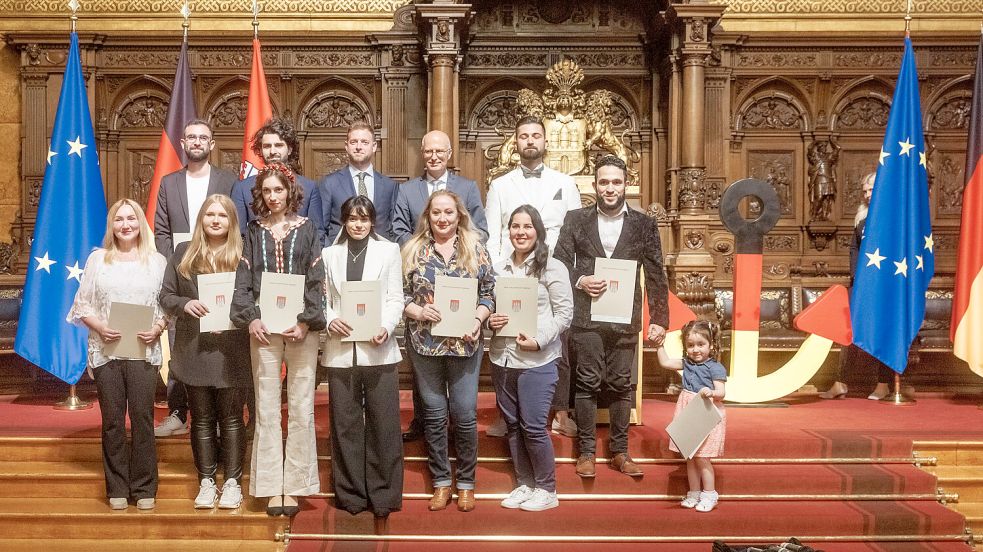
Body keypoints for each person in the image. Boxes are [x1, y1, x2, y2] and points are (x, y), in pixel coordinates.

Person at [554, 155, 669, 479]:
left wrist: (659, 318)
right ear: (595, 184)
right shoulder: (575, 219)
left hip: (624, 316)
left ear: (626, 183)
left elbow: (657, 273)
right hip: (586, 317)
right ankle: (587, 452)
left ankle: (620, 452)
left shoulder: (644, 224)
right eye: (604, 182)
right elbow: (559, 261)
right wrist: (580, 279)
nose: (610, 188)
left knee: (621, 384)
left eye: (616, 182)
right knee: (587, 382)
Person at [231, 162, 326, 517]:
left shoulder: (308, 229)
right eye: (267, 191)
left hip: (301, 331)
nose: (273, 197)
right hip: (264, 331)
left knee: (301, 407)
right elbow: (243, 281)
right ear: (261, 194)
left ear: (290, 192)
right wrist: (250, 318)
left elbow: (317, 280)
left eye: (279, 190)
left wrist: (306, 322)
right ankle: (271, 486)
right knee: (267, 408)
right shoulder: (253, 232)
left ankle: (297, 485)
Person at [67, 198, 169, 511]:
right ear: (112, 226)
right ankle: (117, 487)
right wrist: (99, 326)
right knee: (112, 421)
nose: (125, 225)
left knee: (141, 419)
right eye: (119, 220)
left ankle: (144, 487)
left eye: (131, 219)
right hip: (107, 350)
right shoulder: (98, 260)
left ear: (141, 224)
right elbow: (81, 305)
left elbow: (167, 307)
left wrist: (158, 328)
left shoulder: (157, 261)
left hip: (142, 350)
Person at [484, 115, 582, 439]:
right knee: (508, 340)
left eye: (535, 135)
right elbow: (494, 233)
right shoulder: (499, 185)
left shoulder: (565, 183)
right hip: (511, 271)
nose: (530, 141)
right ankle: (505, 412)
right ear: (516, 142)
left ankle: (559, 413)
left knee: (557, 343)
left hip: (552, 270)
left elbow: (573, 234)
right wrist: (502, 271)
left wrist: (563, 269)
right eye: (523, 135)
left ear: (545, 141)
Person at [392, 129, 489, 442]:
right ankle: (425, 424)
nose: (434, 156)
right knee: (428, 387)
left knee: (463, 406)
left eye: (440, 151)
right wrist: (425, 255)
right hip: (424, 289)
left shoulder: (468, 188)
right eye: (428, 151)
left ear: (450, 154)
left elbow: (481, 231)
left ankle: (457, 449)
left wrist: (456, 258)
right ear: (423, 153)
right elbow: (398, 232)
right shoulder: (407, 191)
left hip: (462, 285)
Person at [402, 190, 495, 512]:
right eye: (436, 213)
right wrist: (416, 311)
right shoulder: (412, 251)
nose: (442, 218)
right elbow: (396, 295)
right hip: (425, 346)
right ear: (428, 216)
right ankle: (442, 481)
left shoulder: (475, 249)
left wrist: (477, 317)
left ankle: (467, 483)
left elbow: (489, 294)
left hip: (465, 345)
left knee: (466, 416)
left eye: (449, 213)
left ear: (459, 216)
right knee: (434, 415)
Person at [159, 194, 251, 510]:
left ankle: (233, 483)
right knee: (200, 419)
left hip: (232, 349)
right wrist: (185, 304)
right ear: (201, 219)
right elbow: (166, 296)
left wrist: (235, 317)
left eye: (222, 215)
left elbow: (254, 296)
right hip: (194, 349)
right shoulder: (184, 253)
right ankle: (207, 481)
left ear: (231, 221)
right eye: (209, 214)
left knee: (231, 418)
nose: (215, 220)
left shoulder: (243, 254)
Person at [154, 118, 238, 438]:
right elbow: (161, 230)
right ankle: (177, 411)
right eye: (191, 137)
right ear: (183, 144)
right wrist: (177, 263)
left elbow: (235, 224)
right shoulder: (168, 182)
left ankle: (219, 411)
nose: (197, 142)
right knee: (179, 343)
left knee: (218, 340)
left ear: (212, 145)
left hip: (220, 269)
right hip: (183, 272)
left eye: (203, 137)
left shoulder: (228, 181)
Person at [321, 195, 404, 518]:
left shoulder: (389, 251)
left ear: (373, 221)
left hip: (378, 348)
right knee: (345, 424)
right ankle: (351, 493)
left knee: (384, 424)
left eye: (364, 219)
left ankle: (384, 494)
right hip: (341, 350)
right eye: (352, 219)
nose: (358, 225)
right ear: (344, 221)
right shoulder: (330, 254)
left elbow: (396, 297)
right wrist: (330, 319)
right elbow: (322, 297)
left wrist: (386, 325)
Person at [488, 205, 572, 512]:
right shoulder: (498, 268)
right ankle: (525, 483)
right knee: (512, 425)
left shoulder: (553, 268)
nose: (520, 232)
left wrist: (539, 340)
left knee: (534, 426)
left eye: (527, 226)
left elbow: (564, 313)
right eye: (515, 226)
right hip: (502, 357)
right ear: (507, 231)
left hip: (538, 359)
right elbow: (486, 306)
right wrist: (489, 322)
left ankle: (547, 488)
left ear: (538, 230)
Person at [820, 171, 897, 400]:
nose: (867, 195)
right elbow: (854, 248)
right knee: (849, 333)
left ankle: (883, 384)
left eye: (872, 189)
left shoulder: (893, 217)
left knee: (882, 333)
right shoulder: (862, 219)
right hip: (862, 286)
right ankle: (840, 382)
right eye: (864, 191)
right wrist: (855, 275)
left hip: (884, 287)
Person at [655, 319, 726, 513]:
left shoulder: (715, 367)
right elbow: (665, 361)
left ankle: (709, 494)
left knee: (703, 457)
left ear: (711, 345)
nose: (696, 350)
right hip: (689, 410)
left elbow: (721, 392)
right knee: (690, 456)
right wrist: (659, 345)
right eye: (691, 345)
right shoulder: (686, 363)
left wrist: (711, 392)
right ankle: (693, 493)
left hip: (706, 411)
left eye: (701, 345)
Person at [231, 116, 323, 242]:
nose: (272, 151)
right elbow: (237, 236)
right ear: (261, 150)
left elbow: (318, 235)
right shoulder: (242, 188)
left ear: (290, 149)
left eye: (279, 145)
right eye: (267, 146)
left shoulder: (310, 188)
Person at [317, 121, 399, 244]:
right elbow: (320, 227)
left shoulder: (389, 186)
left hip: (380, 254)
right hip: (341, 255)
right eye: (353, 142)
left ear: (374, 146)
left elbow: (394, 227)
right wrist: (330, 254)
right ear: (346, 146)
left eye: (365, 142)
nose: (358, 147)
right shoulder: (329, 183)